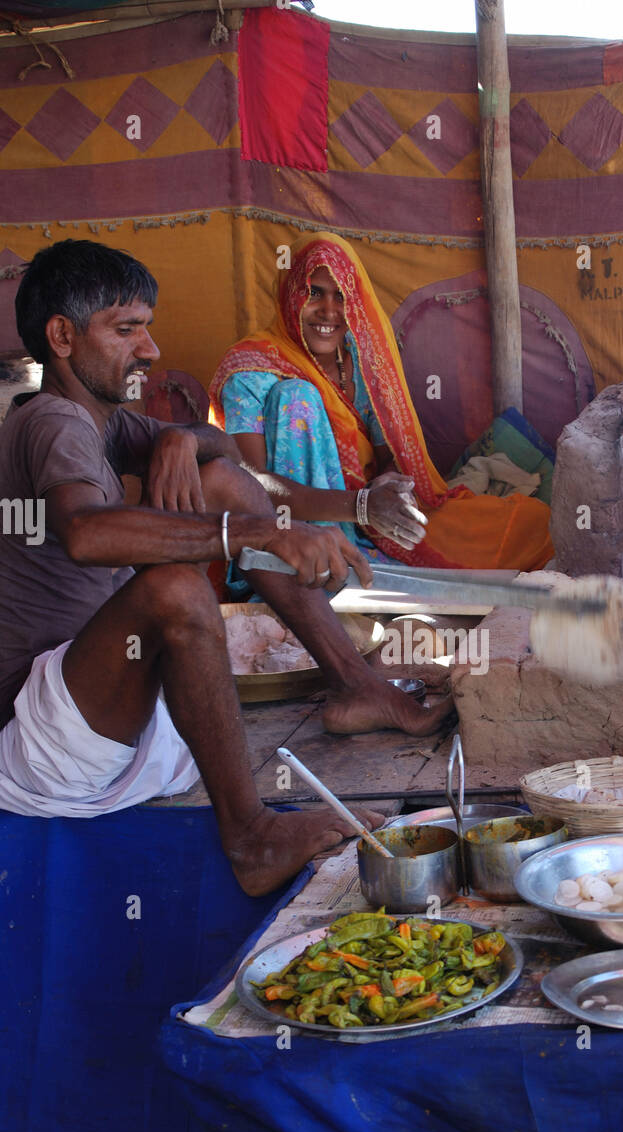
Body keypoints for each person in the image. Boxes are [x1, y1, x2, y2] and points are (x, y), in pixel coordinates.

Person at [0, 240, 448, 895]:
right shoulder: (53, 422)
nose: (149, 349)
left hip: (109, 711)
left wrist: (181, 439)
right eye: (126, 330)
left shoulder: (101, 420)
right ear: (62, 336)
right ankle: (248, 835)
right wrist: (252, 533)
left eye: (146, 327)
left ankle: (354, 685)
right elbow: (85, 534)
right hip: (48, 742)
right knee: (175, 590)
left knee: (220, 481)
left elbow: (221, 452)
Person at [209, 232, 554, 570]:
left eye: (341, 296)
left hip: (371, 520)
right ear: (289, 293)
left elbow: (389, 456)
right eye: (313, 293)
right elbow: (248, 486)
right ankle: (331, 562)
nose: (329, 311)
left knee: (533, 522)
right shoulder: (251, 369)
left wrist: (386, 488)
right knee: (296, 397)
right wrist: (359, 506)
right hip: (289, 538)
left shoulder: (362, 361)